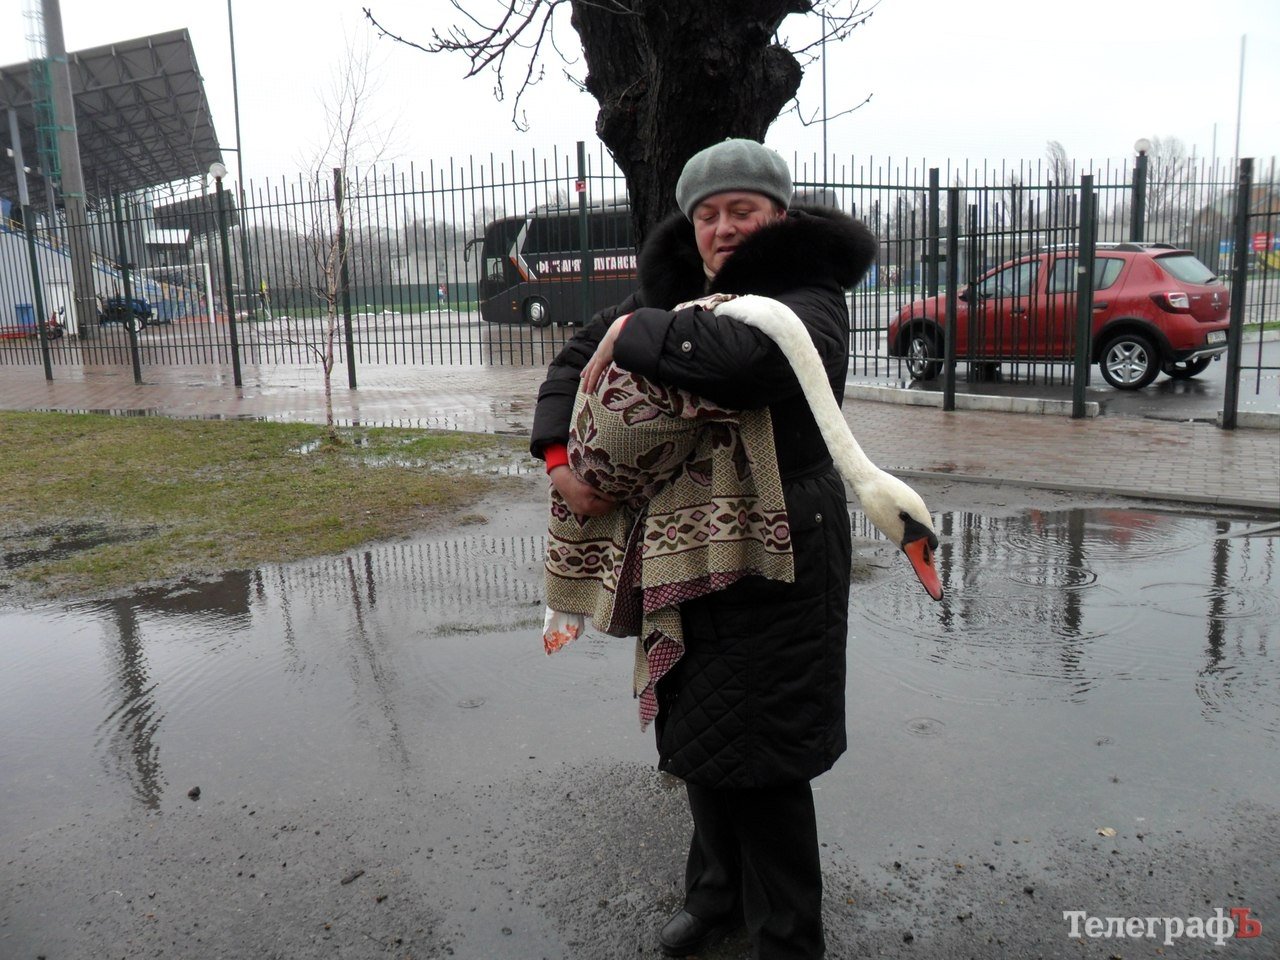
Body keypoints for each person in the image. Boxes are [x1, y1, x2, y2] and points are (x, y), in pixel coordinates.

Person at [530, 138, 877, 959]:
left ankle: (790, 936)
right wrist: (557, 460)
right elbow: (571, 363)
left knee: (769, 755)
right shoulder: (676, 295)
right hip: (685, 547)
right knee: (701, 737)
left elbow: (749, 364)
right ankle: (715, 895)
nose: (723, 229)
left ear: (777, 216)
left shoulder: (809, 292)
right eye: (708, 215)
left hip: (782, 541)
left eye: (742, 211)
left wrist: (637, 329)